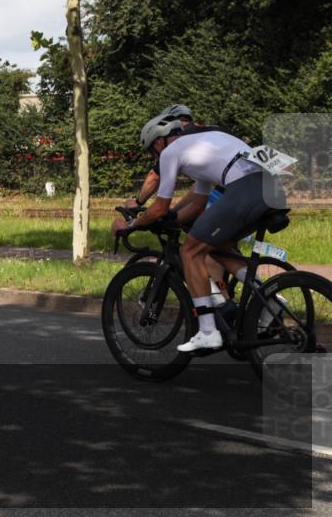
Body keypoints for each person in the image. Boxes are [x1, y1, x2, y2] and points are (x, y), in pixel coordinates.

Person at [112, 114, 285, 352]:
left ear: (159, 142)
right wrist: (171, 219)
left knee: (190, 251)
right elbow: (197, 205)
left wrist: (133, 225)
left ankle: (207, 331)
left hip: (245, 190)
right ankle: (270, 299)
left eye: (152, 151)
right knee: (216, 246)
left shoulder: (172, 153)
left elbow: (160, 206)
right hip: (271, 188)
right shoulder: (203, 144)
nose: (155, 157)